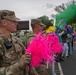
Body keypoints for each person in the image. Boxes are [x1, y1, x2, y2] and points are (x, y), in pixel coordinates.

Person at [0, 10, 37, 75]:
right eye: (13, 21)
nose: (17, 24)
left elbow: (28, 62)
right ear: (4, 22)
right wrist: (19, 65)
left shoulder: (17, 41)